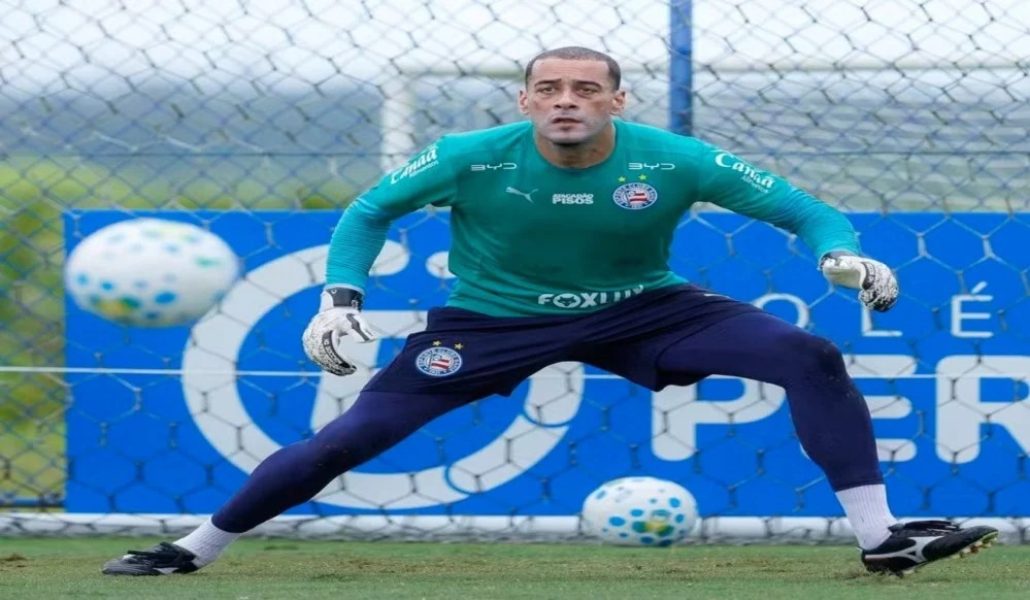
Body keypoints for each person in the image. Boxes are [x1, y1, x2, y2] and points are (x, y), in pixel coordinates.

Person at [102, 46, 997, 577]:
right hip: (490, 324)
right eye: (550, 91)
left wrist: (839, 252)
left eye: (586, 90)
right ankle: (193, 549)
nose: (567, 102)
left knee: (807, 354)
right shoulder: (468, 155)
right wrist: (342, 297)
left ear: (617, 101)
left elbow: (801, 207)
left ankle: (881, 540)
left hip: (646, 309)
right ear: (526, 102)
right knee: (347, 443)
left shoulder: (673, 157)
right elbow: (370, 211)